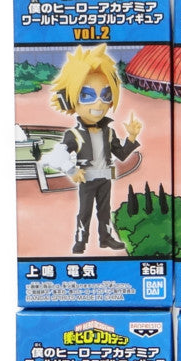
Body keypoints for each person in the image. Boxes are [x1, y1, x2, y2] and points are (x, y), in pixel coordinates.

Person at [46, 44, 142, 254]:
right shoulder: (75, 134)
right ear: (69, 99)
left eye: (106, 95)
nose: (99, 104)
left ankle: (106, 238)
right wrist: (71, 170)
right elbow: (56, 155)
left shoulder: (109, 132)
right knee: (85, 212)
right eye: (87, 95)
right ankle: (81, 241)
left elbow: (121, 154)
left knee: (105, 211)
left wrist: (132, 138)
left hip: (105, 178)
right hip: (87, 179)